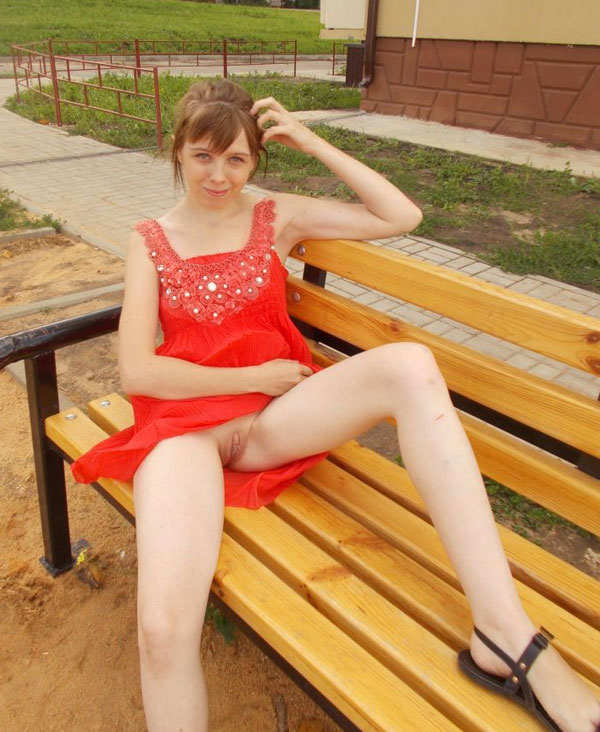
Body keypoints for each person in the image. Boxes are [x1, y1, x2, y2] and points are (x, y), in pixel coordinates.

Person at [71, 79, 599, 732]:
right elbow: (138, 370)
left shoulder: (276, 217)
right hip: (184, 433)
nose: (219, 175)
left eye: (237, 159)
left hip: (274, 422)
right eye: (203, 155)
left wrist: (314, 141)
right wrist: (256, 374)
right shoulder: (150, 239)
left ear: (256, 161)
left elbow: (401, 215)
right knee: (161, 630)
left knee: (410, 365)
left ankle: (505, 633)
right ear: (177, 149)